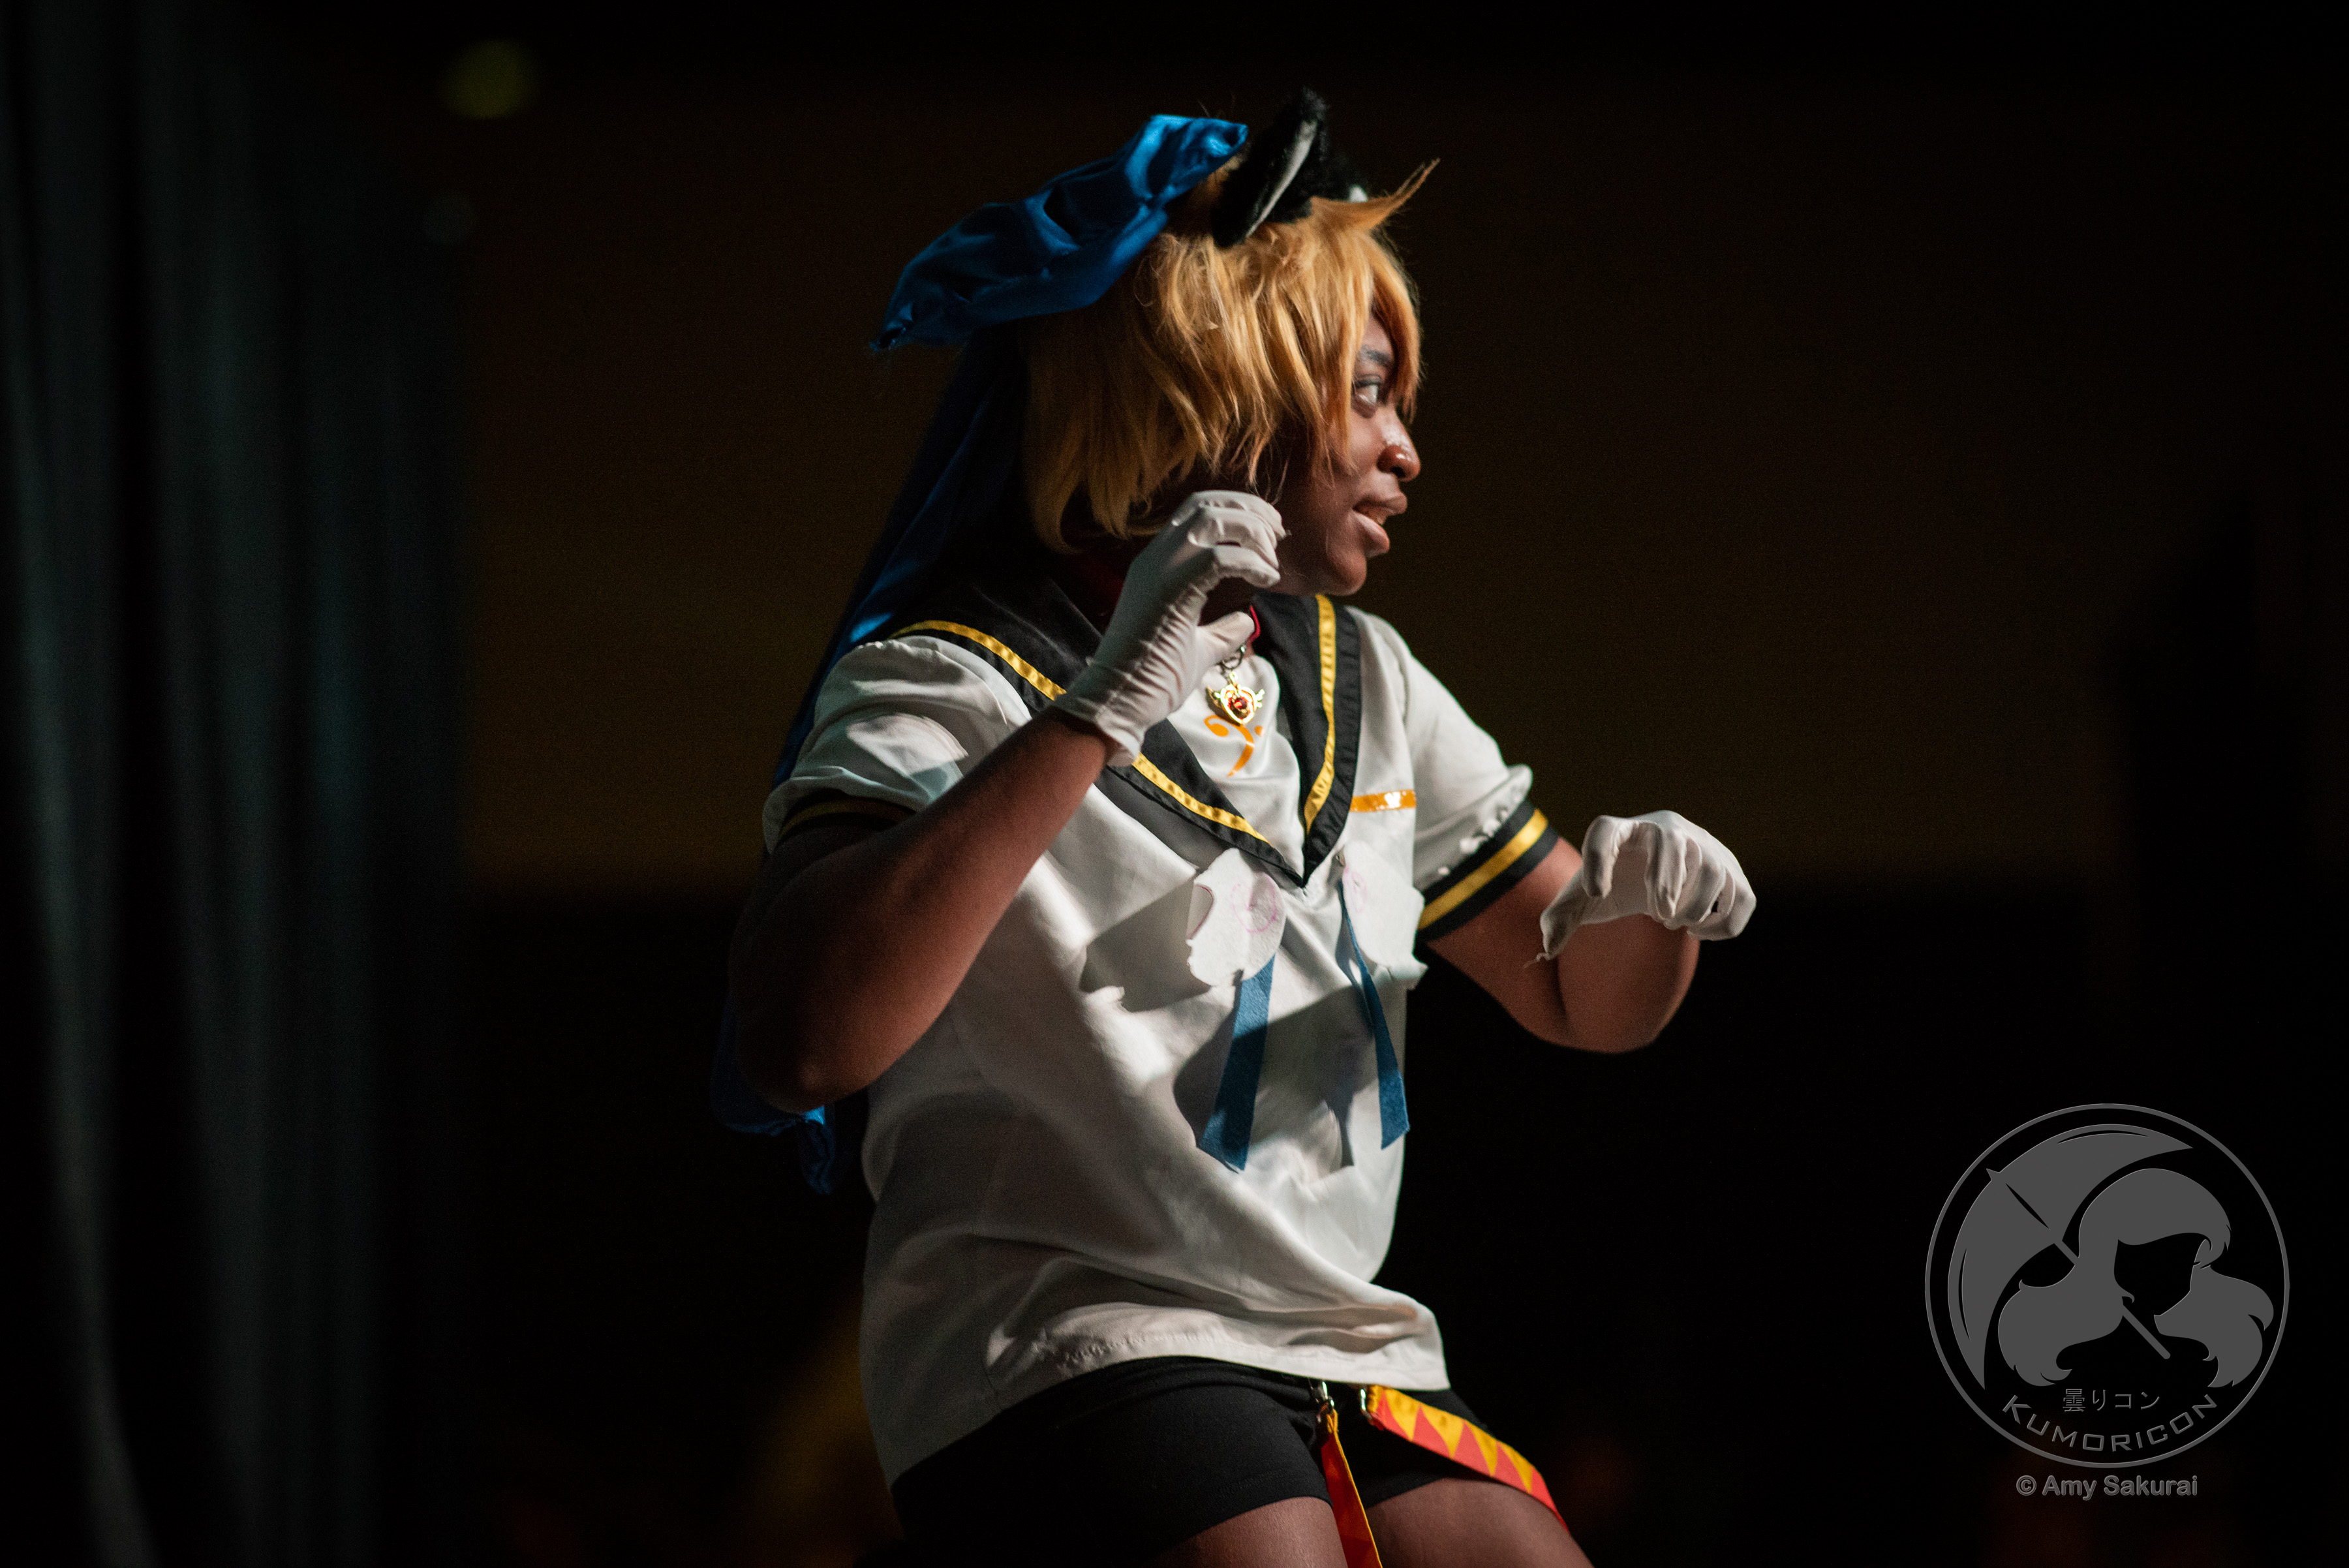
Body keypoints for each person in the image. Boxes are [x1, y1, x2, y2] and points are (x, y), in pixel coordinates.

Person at [723, 93, 1755, 1568]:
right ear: (1211, 385)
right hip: (1063, 1327)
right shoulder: (948, 677)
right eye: (1369, 394)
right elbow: (804, 1043)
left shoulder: (1370, 676)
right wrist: (1091, 716)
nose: (1405, 449)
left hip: (1340, 1341)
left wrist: (1657, 913)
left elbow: (1584, 999)